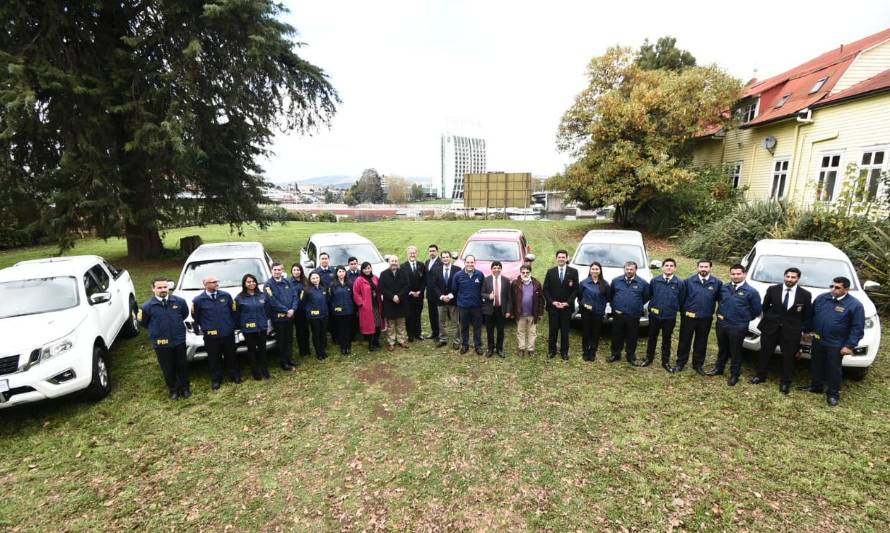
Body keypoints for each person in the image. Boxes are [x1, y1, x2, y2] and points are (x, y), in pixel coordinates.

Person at [804, 276, 865, 406]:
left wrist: (849, 345)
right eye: (832, 286)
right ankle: (816, 387)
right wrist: (807, 331)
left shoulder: (855, 305)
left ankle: (833, 394)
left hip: (836, 342)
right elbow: (811, 316)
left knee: (833, 369)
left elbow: (857, 328)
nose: (833, 289)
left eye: (837, 287)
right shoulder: (822, 298)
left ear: (846, 289)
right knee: (816, 364)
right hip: (818, 339)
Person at [750, 267, 812, 394]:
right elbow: (765, 307)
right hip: (771, 328)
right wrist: (771, 320)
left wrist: (804, 330)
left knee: (789, 357)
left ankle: (785, 382)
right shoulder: (773, 289)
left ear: (798, 278)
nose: (790, 279)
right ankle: (760, 376)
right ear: (784, 276)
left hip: (791, 331)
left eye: (793, 277)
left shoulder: (805, 294)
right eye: (788, 276)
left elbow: (806, 315)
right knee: (765, 353)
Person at [708, 264, 762, 386]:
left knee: (735, 351)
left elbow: (757, 310)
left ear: (744, 274)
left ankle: (734, 374)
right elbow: (719, 300)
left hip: (738, 326)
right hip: (722, 323)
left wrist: (743, 319)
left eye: (738, 274)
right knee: (722, 348)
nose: (736, 276)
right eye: (733, 274)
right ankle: (719, 368)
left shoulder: (752, 292)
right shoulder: (724, 287)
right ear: (730, 274)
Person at [139, 278, 190, 400]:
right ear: (153, 289)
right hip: (161, 343)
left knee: (182, 366)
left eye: (165, 287)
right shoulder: (146, 307)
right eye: (159, 288)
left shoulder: (180, 301)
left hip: (178, 340)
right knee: (168, 368)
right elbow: (143, 323)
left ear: (168, 288)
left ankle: (185, 388)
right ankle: (173, 390)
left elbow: (184, 314)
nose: (163, 290)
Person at [190, 276, 240, 389]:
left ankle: (234, 375)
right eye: (213, 282)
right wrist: (206, 328)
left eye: (217, 281)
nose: (216, 283)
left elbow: (233, 311)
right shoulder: (198, 300)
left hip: (227, 333)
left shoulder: (225, 296)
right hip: (211, 336)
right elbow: (195, 317)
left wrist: (231, 326)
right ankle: (216, 379)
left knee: (231, 355)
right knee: (213, 358)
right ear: (205, 284)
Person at [675, 259, 723, 374]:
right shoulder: (688, 281)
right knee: (684, 340)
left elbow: (719, 300)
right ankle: (680, 362)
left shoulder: (717, 283)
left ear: (710, 268)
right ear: (697, 268)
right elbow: (681, 299)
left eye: (706, 267)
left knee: (701, 342)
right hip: (688, 317)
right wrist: (684, 312)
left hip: (705, 318)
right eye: (701, 266)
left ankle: (698, 364)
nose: (703, 269)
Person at [646, 259, 686, 372]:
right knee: (652, 337)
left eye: (671, 265)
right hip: (654, 315)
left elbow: (681, 299)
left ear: (675, 268)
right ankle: (649, 358)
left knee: (666, 339)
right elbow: (650, 295)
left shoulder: (679, 283)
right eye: (666, 265)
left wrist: (673, 308)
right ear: (662, 267)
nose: (669, 267)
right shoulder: (655, 281)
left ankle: (665, 361)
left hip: (669, 316)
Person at [609, 261, 651, 365]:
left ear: (635, 270)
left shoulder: (643, 283)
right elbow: (611, 295)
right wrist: (615, 306)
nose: (629, 271)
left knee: (632, 336)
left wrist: (636, 305)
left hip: (633, 314)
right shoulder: (616, 281)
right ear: (624, 269)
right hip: (618, 313)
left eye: (631, 269)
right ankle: (615, 354)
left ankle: (630, 356)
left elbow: (646, 297)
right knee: (616, 335)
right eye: (627, 269)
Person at [234, 274, 272, 380]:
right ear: (244, 284)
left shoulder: (262, 295)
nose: (251, 283)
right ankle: (256, 373)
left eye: (253, 281)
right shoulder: (239, 298)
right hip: (249, 329)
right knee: (252, 351)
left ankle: (265, 371)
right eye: (248, 282)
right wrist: (242, 326)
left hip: (262, 327)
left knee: (262, 349)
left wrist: (263, 320)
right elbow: (236, 314)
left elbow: (267, 310)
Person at [543, 249, 579, 360]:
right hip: (553, 307)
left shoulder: (573, 272)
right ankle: (552, 350)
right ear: (556, 258)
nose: (561, 259)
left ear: (567, 258)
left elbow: (576, 289)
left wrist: (567, 303)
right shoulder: (550, 272)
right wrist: (552, 302)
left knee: (565, 330)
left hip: (566, 308)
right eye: (559, 257)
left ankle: (564, 351)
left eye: (563, 257)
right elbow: (545, 289)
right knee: (553, 330)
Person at [265, 262, 298, 370]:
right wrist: (286, 310)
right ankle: (283, 362)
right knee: (281, 340)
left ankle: (289, 358)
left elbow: (294, 295)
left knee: (289, 338)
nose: (277, 271)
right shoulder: (268, 285)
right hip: (278, 318)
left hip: (290, 316)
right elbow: (272, 301)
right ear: (271, 270)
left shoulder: (287, 281)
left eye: (279, 269)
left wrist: (293, 309)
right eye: (275, 269)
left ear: (282, 270)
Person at [452, 255, 485, 354]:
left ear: (475, 263)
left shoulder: (480, 275)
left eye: (472, 262)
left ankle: (478, 346)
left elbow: (482, 289)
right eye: (468, 262)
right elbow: (454, 290)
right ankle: (465, 345)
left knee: (477, 327)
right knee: (464, 327)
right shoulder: (458, 275)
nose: (470, 264)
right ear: (464, 263)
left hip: (476, 306)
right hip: (463, 306)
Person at [511, 263, 545, 357]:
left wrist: (541, 312)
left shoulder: (537, 283)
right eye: (523, 272)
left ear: (530, 272)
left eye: (527, 272)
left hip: (533, 313)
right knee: (520, 332)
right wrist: (512, 312)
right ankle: (521, 348)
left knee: (532, 332)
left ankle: (531, 349)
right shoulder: (515, 283)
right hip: (520, 313)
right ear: (520, 273)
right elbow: (512, 299)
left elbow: (541, 300)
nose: (525, 274)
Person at [577, 262, 609, 362]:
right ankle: (586, 351)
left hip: (598, 312)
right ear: (590, 270)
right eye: (593, 269)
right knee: (586, 332)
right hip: (586, 312)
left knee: (596, 332)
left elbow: (608, 297)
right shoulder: (584, 283)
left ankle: (593, 352)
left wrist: (600, 306)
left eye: (597, 269)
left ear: (600, 271)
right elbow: (579, 297)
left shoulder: (605, 284)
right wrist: (585, 305)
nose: (595, 271)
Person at [481, 260, 512, 357]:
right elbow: (481, 293)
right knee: (489, 330)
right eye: (494, 268)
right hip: (489, 309)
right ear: (491, 269)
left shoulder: (506, 281)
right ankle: (490, 348)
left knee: (500, 330)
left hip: (501, 309)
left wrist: (508, 310)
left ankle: (499, 348)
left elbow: (509, 297)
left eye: (498, 267)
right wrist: (488, 296)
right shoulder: (486, 280)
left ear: (501, 269)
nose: (496, 269)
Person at [379, 254, 410, 350]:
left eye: (396, 261)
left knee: (401, 323)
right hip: (389, 302)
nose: (394, 263)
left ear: (398, 262)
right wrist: (392, 296)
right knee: (391, 324)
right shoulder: (383, 274)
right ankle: (391, 342)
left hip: (401, 302)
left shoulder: (404, 273)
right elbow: (382, 288)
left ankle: (402, 341)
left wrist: (398, 296)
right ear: (389, 262)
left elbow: (407, 286)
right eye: (392, 261)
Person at [352, 261, 385, 351]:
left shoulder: (375, 278)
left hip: (377, 304)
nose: (367, 270)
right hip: (366, 307)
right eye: (365, 268)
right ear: (362, 270)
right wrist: (361, 303)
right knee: (370, 326)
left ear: (371, 268)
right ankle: (370, 343)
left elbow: (381, 288)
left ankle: (376, 341)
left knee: (378, 323)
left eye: (369, 268)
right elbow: (356, 293)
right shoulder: (359, 280)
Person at [431, 250, 460, 349]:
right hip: (441, 300)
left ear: (450, 258)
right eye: (443, 257)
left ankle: (457, 341)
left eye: (447, 257)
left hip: (453, 300)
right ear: (441, 259)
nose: (445, 259)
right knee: (441, 321)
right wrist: (442, 296)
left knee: (456, 322)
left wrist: (451, 295)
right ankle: (443, 339)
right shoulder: (436, 270)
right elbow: (434, 285)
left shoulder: (457, 269)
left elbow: (459, 285)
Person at [329, 266, 356, 355]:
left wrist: (353, 308)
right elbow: (330, 299)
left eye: (343, 271)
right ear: (336, 273)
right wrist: (334, 308)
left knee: (348, 329)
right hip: (338, 311)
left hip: (349, 310)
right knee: (340, 329)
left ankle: (348, 346)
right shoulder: (333, 285)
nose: (341, 273)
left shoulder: (350, 283)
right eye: (339, 271)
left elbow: (353, 297)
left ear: (345, 273)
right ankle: (343, 347)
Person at [403, 245, 427, 341]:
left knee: (418, 314)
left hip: (419, 295)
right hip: (408, 296)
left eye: (414, 253)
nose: (412, 254)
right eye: (410, 253)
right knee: (409, 315)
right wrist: (410, 292)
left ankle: (418, 333)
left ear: (416, 253)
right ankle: (410, 335)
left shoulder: (421, 265)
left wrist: (420, 291)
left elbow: (424, 280)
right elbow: (403, 282)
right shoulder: (403, 266)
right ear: (407, 254)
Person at [303, 272, 329, 359]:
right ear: (310, 279)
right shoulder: (307, 290)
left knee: (322, 333)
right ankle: (318, 353)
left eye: (317, 278)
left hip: (324, 315)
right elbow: (303, 303)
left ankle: (323, 350)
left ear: (319, 278)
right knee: (316, 334)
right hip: (314, 317)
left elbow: (327, 300)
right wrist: (310, 311)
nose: (315, 280)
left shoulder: (323, 288)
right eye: (313, 278)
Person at [290, 263, 311, 358]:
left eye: (298, 270)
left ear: (301, 271)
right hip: (297, 310)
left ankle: (307, 349)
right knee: (299, 331)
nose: (296, 272)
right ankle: (302, 350)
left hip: (306, 309)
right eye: (294, 270)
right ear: (291, 271)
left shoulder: (305, 280)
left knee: (306, 330)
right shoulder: (289, 282)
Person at [425, 244, 441, 340]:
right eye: (430, 251)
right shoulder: (427, 262)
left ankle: (440, 333)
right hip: (430, 293)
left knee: (438, 314)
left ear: (437, 252)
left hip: (438, 293)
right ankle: (434, 332)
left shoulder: (441, 262)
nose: (432, 252)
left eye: (433, 251)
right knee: (431, 314)